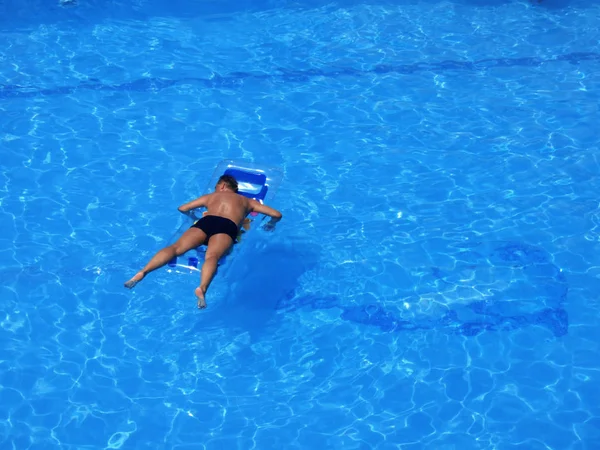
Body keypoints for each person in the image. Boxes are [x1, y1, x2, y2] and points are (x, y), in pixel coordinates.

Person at [124, 174, 282, 308]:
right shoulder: (247, 201)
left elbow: (183, 208)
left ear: (221, 186)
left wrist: (193, 217)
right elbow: (277, 214)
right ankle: (202, 288)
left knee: (176, 248)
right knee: (212, 256)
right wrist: (270, 224)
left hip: (206, 222)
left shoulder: (211, 197)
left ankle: (143, 271)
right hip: (227, 226)